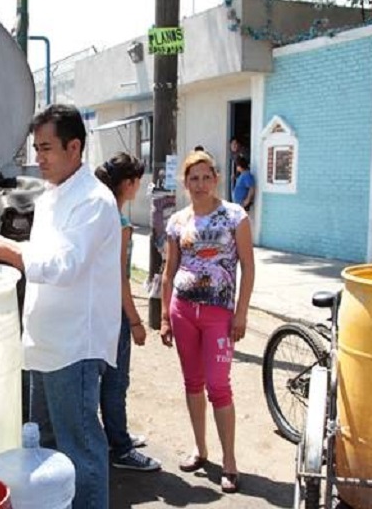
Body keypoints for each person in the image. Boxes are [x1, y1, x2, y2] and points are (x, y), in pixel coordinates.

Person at [0, 104, 122, 509]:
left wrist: (8, 252)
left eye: (47, 148)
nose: (39, 159)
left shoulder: (94, 201)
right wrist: (3, 248)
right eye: (36, 149)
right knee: (47, 447)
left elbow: (66, 265)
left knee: (81, 448)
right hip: (45, 343)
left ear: (75, 147)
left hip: (75, 348)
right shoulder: (55, 195)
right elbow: (40, 253)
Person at [160, 150, 255, 494]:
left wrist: (241, 313)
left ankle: (229, 462)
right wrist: (165, 319)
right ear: (185, 183)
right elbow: (169, 271)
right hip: (182, 312)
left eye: (205, 177)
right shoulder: (177, 222)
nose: (199, 184)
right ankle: (201, 450)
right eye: (193, 178)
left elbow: (248, 266)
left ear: (216, 178)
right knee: (192, 383)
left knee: (219, 384)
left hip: (218, 315)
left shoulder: (234, 216)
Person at [93, 152, 162, 472]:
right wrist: (135, 321)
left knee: (108, 380)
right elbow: (120, 277)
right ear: (130, 184)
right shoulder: (119, 222)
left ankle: (116, 435)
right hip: (114, 311)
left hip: (98, 307)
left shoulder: (103, 213)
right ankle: (120, 448)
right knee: (116, 381)